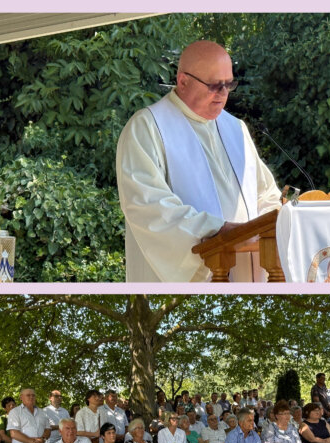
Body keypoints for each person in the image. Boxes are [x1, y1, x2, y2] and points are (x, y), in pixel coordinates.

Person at [116, 39, 282, 282]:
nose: (223, 94)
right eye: (215, 85)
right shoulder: (147, 127)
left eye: (229, 84)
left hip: (249, 274)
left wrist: (276, 222)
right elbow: (147, 206)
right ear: (183, 80)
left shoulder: (236, 128)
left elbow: (265, 195)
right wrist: (217, 230)